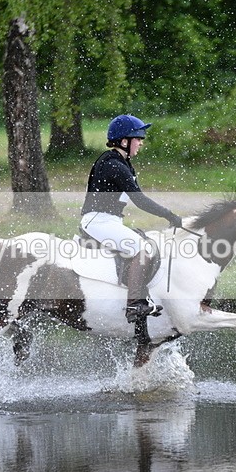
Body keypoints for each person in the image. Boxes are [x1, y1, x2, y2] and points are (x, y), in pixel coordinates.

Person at [80, 114, 182, 323]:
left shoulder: (121, 162)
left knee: (144, 241)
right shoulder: (114, 165)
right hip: (97, 221)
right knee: (142, 250)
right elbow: (140, 201)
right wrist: (168, 215)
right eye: (138, 138)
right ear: (124, 141)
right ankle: (134, 305)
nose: (141, 143)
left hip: (108, 221)